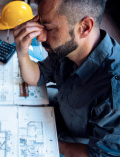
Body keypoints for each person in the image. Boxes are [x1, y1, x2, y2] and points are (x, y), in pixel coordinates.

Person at [13, 0, 120, 156]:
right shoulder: (67, 48)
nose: (40, 37)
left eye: (48, 28)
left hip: (78, 144)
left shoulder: (114, 92)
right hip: (61, 112)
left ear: (84, 27)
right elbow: (38, 76)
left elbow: (101, 154)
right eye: (39, 23)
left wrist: (47, 142)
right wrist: (22, 52)